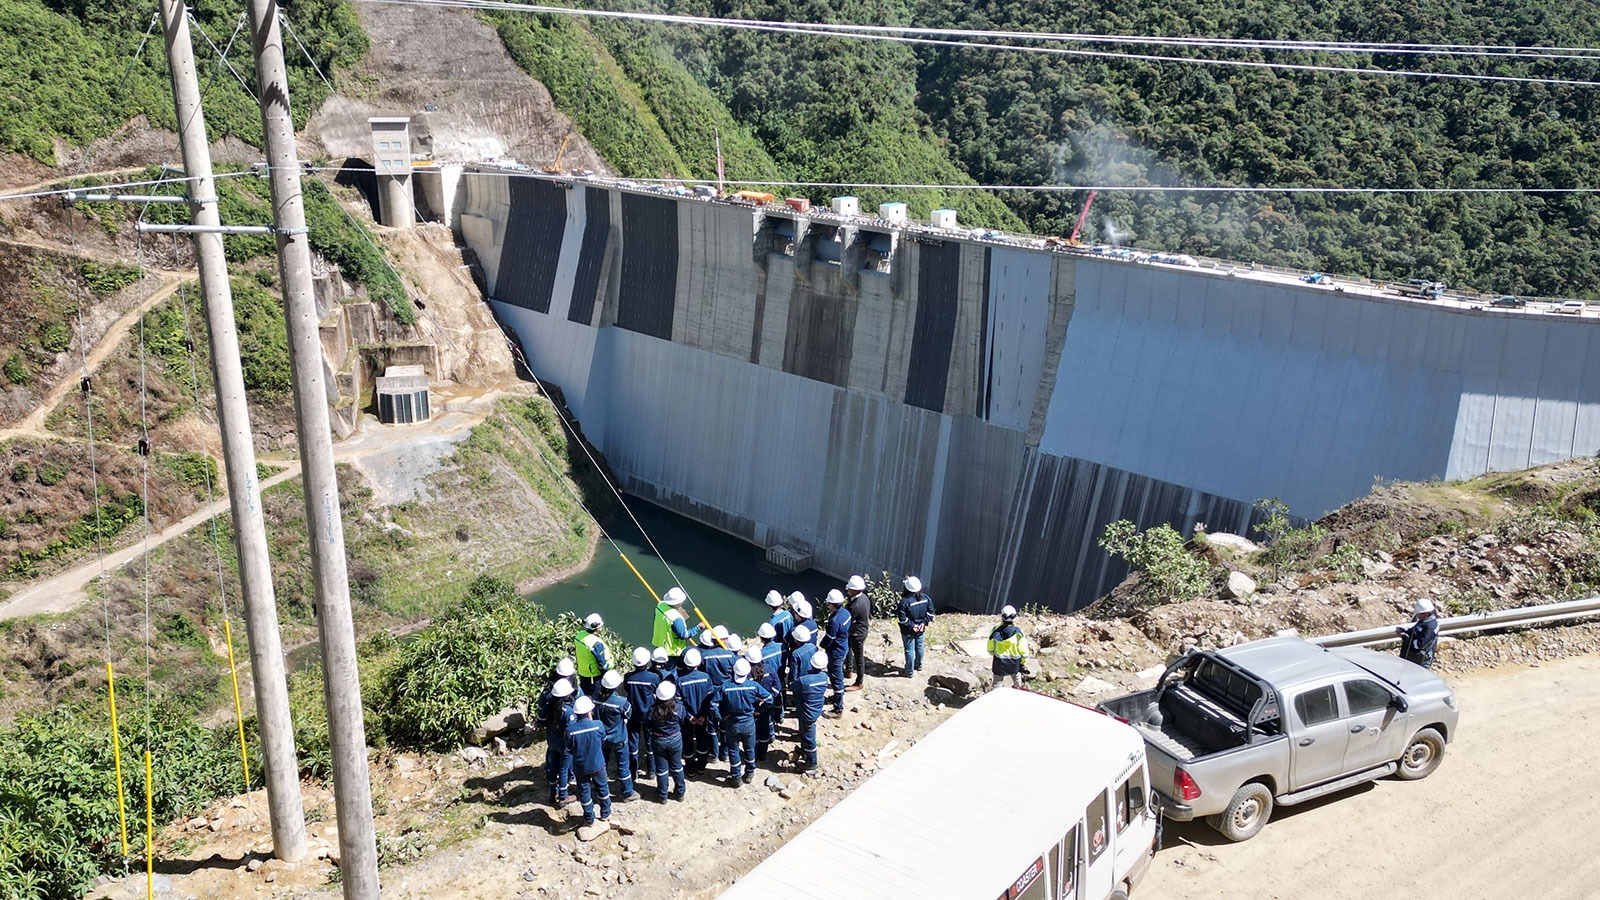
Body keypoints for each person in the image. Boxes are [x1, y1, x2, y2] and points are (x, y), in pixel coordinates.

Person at [719, 657, 773, 785]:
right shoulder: (753, 686)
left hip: (732, 723)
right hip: (749, 723)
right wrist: (759, 711)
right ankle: (749, 773)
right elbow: (769, 699)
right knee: (749, 749)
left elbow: (713, 704)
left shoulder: (726, 687)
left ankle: (736, 776)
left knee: (733, 750)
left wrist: (720, 717)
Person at [566, 695, 611, 828]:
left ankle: (589, 818)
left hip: (580, 767)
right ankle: (605, 813)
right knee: (602, 787)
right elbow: (603, 740)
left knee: (584, 791)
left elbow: (569, 749)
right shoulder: (598, 725)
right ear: (588, 712)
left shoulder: (570, 731)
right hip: (598, 764)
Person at [595, 670, 636, 802]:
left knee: (603, 765)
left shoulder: (595, 698)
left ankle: (600, 790)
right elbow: (629, 715)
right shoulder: (621, 702)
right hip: (618, 738)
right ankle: (627, 792)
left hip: (602, 738)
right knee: (623, 766)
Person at [675, 647, 717, 774]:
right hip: (702, 717)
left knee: (687, 741)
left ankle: (690, 768)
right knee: (702, 739)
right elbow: (710, 698)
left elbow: (679, 702)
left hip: (688, 719)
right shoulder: (706, 677)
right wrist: (703, 715)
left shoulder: (680, 681)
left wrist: (689, 716)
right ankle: (701, 766)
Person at [537, 677, 578, 805]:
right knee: (564, 769)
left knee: (552, 767)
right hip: (563, 743)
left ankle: (552, 793)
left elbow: (541, 719)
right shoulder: (568, 711)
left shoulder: (548, 705)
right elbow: (571, 729)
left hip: (551, 740)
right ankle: (563, 796)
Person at [646, 681, 687, 802]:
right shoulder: (678, 708)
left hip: (658, 740)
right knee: (677, 766)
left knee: (661, 768)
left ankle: (662, 795)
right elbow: (682, 721)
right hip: (675, 738)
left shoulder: (653, 710)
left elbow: (648, 725)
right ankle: (680, 793)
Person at [624, 648, 661, 779]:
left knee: (633, 744)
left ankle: (633, 772)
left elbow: (627, 691)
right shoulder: (654, 678)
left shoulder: (628, 677)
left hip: (633, 714)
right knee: (650, 742)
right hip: (649, 714)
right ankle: (651, 771)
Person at [792, 650, 831, 773]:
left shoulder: (804, 680)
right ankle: (804, 751)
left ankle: (812, 762)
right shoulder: (824, 677)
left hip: (805, 712)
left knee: (809, 738)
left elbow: (792, 686)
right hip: (816, 709)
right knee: (804, 733)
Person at [896, 575, 935, 676]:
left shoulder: (904, 602)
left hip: (908, 630)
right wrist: (923, 623)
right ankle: (918, 665)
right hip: (921, 628)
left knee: (909, 650)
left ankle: (909, 671)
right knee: (919, 647)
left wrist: (912, 626)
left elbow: (903, 620)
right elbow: (930, 614)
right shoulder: (926, 599)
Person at [653, 587, 703, 664]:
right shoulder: (676, 618)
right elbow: (684, 635)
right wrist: (698, 628)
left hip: (659, 642)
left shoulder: (660, 605)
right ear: (678, 603)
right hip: (671, 650)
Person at [820, 590, 851, 716]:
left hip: (835, 652)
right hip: (844, 647)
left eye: (829, 604)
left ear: (833, 604)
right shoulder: (846, 613)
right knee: (838, 677)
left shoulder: (834, 621)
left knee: (836, 679)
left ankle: (838, 708)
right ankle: (838, 697)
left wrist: (821, 645)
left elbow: (829, 638)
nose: (828, 606)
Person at [987, 605, 1031, 690]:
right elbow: (1023, 650)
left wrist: (991, 652)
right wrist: (1023, 661)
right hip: (1014, 662)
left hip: (999, 662)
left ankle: (995, 699)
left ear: (1002, 616)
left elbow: (990, 646)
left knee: (997, 682)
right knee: (1017, 679)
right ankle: (1017, 695)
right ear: (1014, 617)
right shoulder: (1018, 632)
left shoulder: (995, 630)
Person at [750, 644, 781, 762]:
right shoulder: (769, 668)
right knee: (764, 731)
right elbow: (777, 686)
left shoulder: (748, 673)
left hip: (753, 709)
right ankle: (762, 755)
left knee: (753, 733)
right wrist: (769, 698)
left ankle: (753, 756)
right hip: (767, 706)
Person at [844, 574, 871, 690]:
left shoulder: (855, 606)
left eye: (849, 589)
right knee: (848, 649)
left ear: (854, 590)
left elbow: (847, 619)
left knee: (859, 658)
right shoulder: (864, 597)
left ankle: (859, 682)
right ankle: (848, 670)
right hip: (860, 629)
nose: (848, 590)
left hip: (857, 633)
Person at [1396, 598, 1440, 669]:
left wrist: (1404, 637)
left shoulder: (1429, 627)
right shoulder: (1425, 622)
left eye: (1419, 614)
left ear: (1425, 613)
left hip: (1421, 662)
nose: (1417, 616)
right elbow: (1415, 631)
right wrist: (1406, 631)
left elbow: (1418, 645)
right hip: (1414, 659)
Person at [575, 613, 610, 695]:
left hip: (583, 673)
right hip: (595, 677)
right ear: (597, 628)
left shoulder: (579, 636)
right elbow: (603, 666)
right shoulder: (596, 643)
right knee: (595, 699)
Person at [788, 624, 817, 718]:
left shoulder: (796, 654)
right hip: (812, 675)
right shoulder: (813, 647)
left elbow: (794, 672)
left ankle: (799, 711)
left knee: (799, 697)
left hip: (801, 678)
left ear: (796, 640)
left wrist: (791, 683)